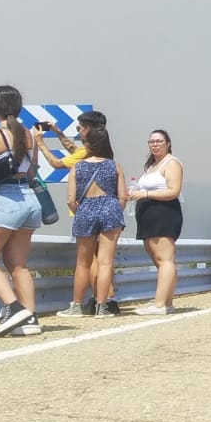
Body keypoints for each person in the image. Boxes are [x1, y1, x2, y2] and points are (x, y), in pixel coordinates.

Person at [0, 85, 45, 338]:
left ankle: (14, 308)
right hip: (29, 199)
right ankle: (30, 317)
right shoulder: (28, 135)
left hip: (4, 199)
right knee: (18, 264)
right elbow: (34, 166)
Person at [35, 110, 106, 314]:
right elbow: (75, 150)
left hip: (85, 208)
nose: (78, 131)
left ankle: (94, 300)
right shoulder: (98, 149)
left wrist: (40, 143)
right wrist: (58, 132)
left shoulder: (86, 154)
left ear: (88, 129)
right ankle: (106, 300)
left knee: (89, 259)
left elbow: (57, 164)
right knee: (101, 258)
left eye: (79, 128)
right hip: (103, 208)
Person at [64, 124, 127, 317]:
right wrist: (114, 209)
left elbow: (70, 199)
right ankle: (102, 306)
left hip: (85, 209)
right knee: (106, 262)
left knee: (83, 262)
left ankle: (76, 305)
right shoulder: (114, 165)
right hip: (110, 208)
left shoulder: (78, 166)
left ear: (87, 144)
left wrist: (81, 211)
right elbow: (123, 196)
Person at [133, 129, 184, 314]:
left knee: (165, 259)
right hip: (148, 215)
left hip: (163, 213)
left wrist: (146, 193)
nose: (155, 145)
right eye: (152, 142)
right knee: (159, 260)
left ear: (168, 143)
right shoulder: (152, 165)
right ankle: (166, 301)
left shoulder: (172, 163)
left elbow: (174, 190)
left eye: (159, 141)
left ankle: (160, 303)